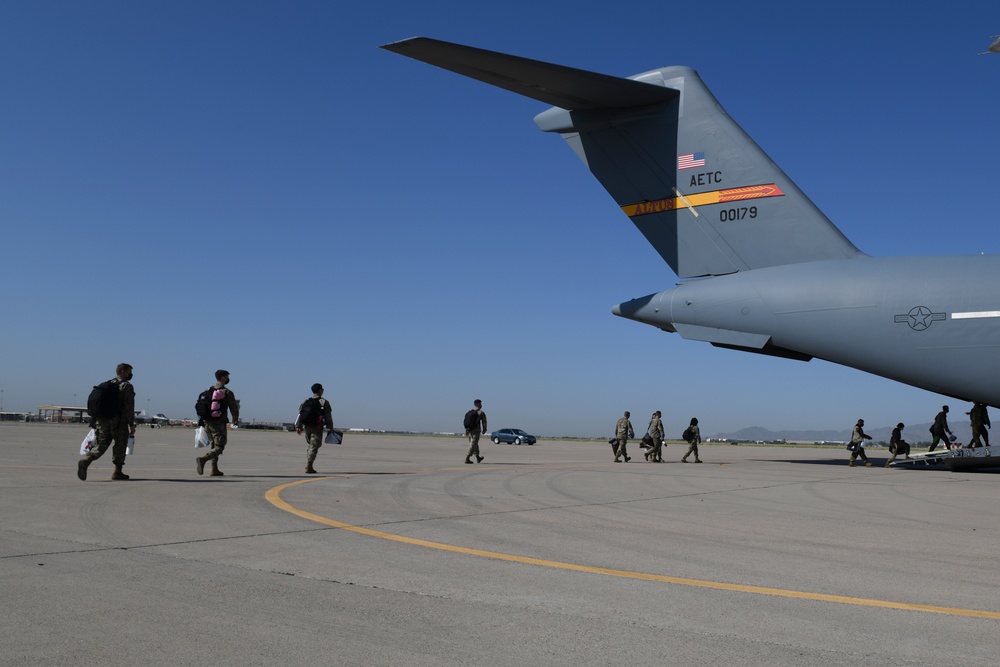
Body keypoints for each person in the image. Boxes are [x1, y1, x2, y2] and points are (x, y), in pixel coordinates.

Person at [77, 363, 136, 481]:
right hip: (118, 421)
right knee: (120, 445)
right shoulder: (125, 386)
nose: (131, 374)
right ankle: (117, 472)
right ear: (123, 371)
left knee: (102, 444)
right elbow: (129, 407)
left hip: (102, 421)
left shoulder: (108, 384)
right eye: (129, 371)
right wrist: (131, 424)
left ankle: (86, 460)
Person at [195, 370, 240, 477]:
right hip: (219, 422)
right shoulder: (226, 392)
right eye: (227, 376)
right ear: (223, 377)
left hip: (207, 422)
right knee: (220, 446)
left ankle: (214, 469)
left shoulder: (208, 390)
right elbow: (233, 407)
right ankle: (203, 459)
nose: (228, 378)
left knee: (214, 445)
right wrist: (235, 418)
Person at [295, 383, 334, 474]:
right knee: (314, 446)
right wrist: (331, 427)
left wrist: (298, 426)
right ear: (320, 390)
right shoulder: (323, 402)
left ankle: (309, 463)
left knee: (311, 445)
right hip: (317, 426)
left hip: (307, 426)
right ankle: (309, 465)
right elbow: (328, 416)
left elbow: (300, 414)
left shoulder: (305, 401)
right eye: (322, 389)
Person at [464, 399, 487, 464]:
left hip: (470, 430)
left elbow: (467, 422)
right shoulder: (480, 412)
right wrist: (484, 429)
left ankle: (477, 457)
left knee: (474, 444)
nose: (481, 405)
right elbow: (484, 422)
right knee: (473, 444)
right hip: (476, 431)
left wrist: (466, 430)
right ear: (478, 404)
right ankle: (467, 458)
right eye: (480, 403)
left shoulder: (470, 412)